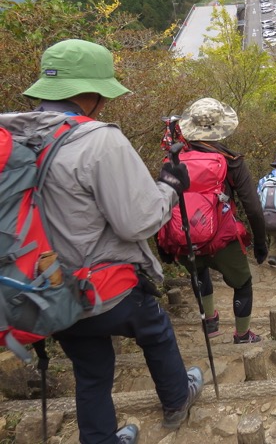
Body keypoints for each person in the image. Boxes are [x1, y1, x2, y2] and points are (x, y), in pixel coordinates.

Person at [3, 39, 203, 444]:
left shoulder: (14, 137)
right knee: (156, 331)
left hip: (48, 289)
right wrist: (168, 187)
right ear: (89, 94)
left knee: (91, 372)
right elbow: (137, 221)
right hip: (106, 287)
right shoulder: (98, 140)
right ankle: (178, 400)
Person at [170, 97, 268, 344]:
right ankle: (243, 335)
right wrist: (260, 242)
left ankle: (210, 321)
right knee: (243, 282)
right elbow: (253, 209)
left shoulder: (174, 158)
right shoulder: (231, 161)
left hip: (184, 236)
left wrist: (164, 246)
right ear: (221, 127)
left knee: (198, 271)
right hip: (222, 238)